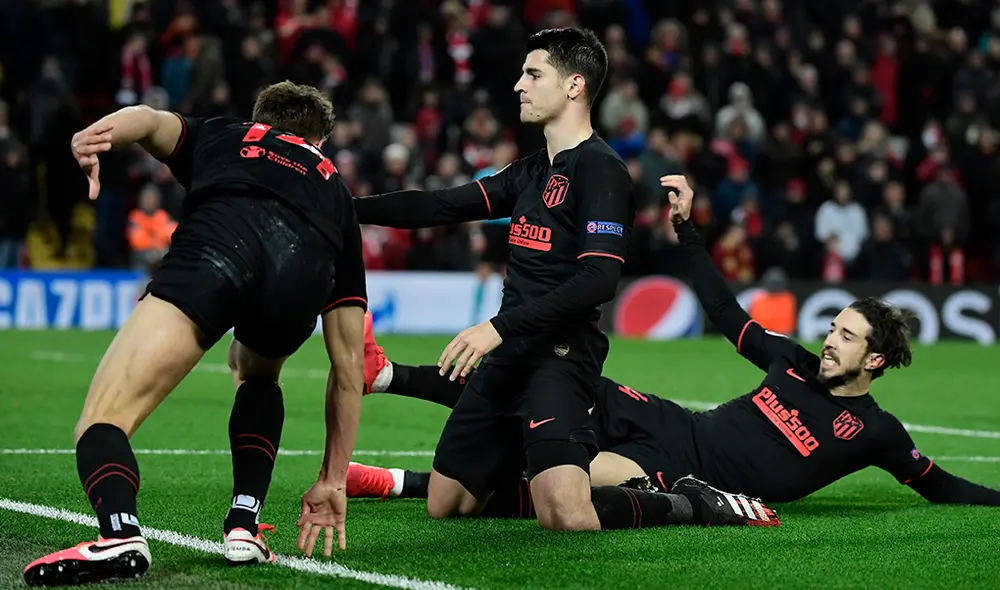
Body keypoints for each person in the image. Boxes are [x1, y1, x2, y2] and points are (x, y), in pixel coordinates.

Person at [349, 176, 1000, 512]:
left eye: (846, 337)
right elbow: (723, 309)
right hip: (668, 422)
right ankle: (386, 377)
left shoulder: (876, 432)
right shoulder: (792, 362)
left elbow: (937, 485)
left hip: (689, 479)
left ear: (875, 361)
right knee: (535, 376)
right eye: (832, 328)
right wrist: (689, 232)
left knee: (560, 481)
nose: (828, 342)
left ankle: (403, 484)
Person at [352, 28, 781, 533]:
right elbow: (439, 205)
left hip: (561, 357)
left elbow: (599, 279)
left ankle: (694, 503)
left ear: (575, 85)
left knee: (568, 518)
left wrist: (498, 328)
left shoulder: (602, 171)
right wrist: (342, 207)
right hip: (509, 358)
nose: (519, 85)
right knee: (447, 504)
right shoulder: (533, 170)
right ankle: (544, 463)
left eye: (533, 74)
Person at [24, 81, 367, 587]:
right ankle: (244, 525)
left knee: (103, 419)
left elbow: (146, 119)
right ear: (320, 142)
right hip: (298, 275)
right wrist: (333, 478)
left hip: (218, 252)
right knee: (258, 373)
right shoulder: (336, 191)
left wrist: (96, 136)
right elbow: (348, 365)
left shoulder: (229, 134)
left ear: (260, 119)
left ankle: (119, 531)